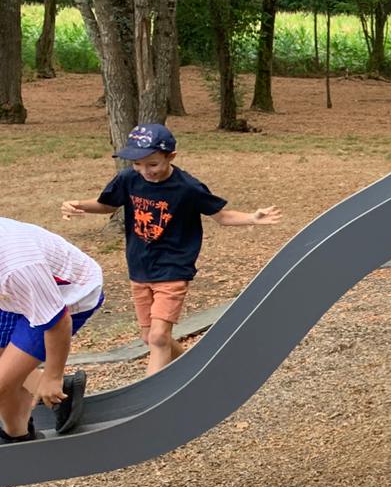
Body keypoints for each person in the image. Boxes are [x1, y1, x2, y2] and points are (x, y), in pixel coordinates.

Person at [61, 124, 282, 375]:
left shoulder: (187, 187)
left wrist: (253, 218)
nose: (145, 171)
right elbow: (108, 205)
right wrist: (79, 205)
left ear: (171, 157)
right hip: (139, 268)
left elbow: (221, 216)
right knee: (149, 337)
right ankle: (195, 370)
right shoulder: (128, 179)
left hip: (173, 268)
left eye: (153, 164)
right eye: (137, 164)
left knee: (158, 337)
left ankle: (148, 394)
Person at [0, 218, 104, 441]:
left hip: (69, 296)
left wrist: (53, 375)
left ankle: (20, 438)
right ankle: (20, 430)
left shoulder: (18, 266)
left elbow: (58, 322)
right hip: (16, 296)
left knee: (2, 382)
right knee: (6, 370)